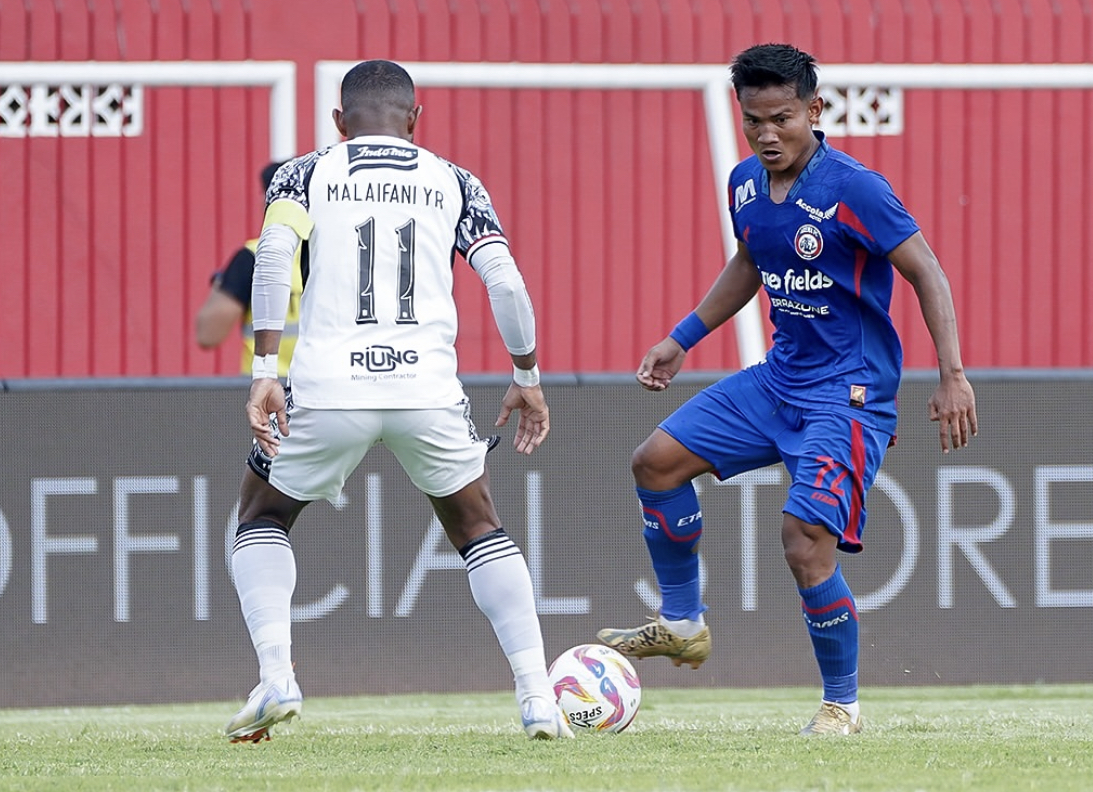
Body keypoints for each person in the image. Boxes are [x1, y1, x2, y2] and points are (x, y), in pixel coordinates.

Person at [596, 43, 978, 736]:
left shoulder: (855, 188)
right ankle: (682, 622)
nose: (768, 135)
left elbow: (927, 271)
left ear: (815, 110)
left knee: (804, 542)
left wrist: (952, 373)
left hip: (847, 394)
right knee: (654, 460)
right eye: (753, 121)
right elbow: (750, 259)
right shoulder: (745, 182)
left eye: (782, 119)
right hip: (778, 381)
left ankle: (843, 706)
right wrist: (682, 337)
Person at [224, 59, 573, 744]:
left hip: (327, 385)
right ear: (416, 119)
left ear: (337, 122)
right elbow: (504, 280)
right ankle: (538, 697)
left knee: (261, 516)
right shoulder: (453, 179)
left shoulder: (307, 172)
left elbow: (271, 257)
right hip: (426, 387)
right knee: (478, 527)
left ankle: (277, 677)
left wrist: (266, 366)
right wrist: (526, 375)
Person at [194, 161, 302, 377]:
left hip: (267, 393)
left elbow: (208, 334)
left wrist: (223, 282)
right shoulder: (339, 252)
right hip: (326, 392)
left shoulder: (253, 257)